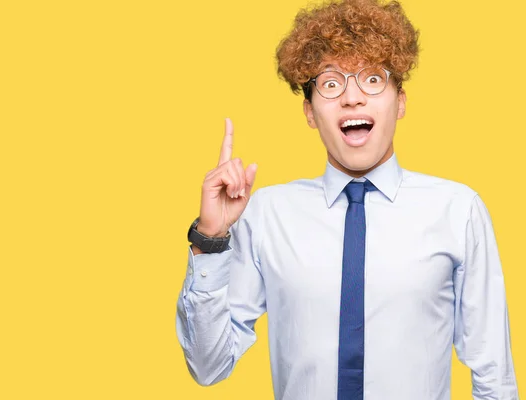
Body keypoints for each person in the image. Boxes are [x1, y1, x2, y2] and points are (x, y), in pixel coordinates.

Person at [175, 0, 519, 398]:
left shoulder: (458, 211)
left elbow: (493, 374)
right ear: (309, 111)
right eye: (331, 83)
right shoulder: (266, 214)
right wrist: (209, 241)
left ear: (401, 101)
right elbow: (207, 366)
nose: (352, 98)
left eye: (372, 79)